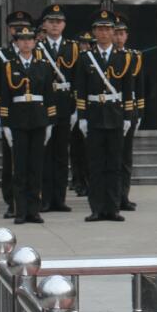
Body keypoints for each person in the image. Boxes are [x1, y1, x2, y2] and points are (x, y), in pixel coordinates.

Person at [75, 10, 135, 222]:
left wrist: (127, 117)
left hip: (115, 116)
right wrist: (82, 117)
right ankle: (97, 209)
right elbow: (80, 89)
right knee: (96, 166)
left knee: (114, 165)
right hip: (94, 116)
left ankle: (113, 208)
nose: (104, 33)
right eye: (100, 29)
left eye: (108, 29)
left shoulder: (124, 58)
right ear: (94, 32)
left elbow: (128, 89)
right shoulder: (85, 58)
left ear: (113, 32)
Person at [0, 26, 55, 224]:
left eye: (29, 39)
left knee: (36, 167)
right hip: (18, 120)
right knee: (20, 168)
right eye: (21, 39)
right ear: (16, 43)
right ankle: (20, 211)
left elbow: (49, 95)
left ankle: (34, 210)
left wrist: (50, 122)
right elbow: (4, 96)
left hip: (38, 119)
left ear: (34, 42)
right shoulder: (9, 66)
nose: (26, 42)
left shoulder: (43, 66)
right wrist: (5, 123)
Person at [38, 4, 79, 213]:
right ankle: (45, 199)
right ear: (44, 24)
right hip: (44, 106)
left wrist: (77, 109)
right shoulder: (37, 47)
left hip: (65, 105)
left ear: (64, 25)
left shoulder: (73, 47)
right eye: (51, 21)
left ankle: (60, 199)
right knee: (45, 154)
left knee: (62, 155)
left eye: (58, 22)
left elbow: (78, 79)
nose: (55, 25)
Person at [0, 10, 33, 218]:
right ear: (10, 31)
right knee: (11, 163)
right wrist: (1, 117)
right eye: (16, 28)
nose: (20, 31)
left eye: (24, 27)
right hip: (13, 116)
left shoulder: (36, 54)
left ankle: (32, 203)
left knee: (33, 163)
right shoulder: (3, 55)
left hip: (33, 115)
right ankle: (12, 202)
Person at [113, 13, 140, 211]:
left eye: (122, 33)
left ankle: (124, 195)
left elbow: (140, 85)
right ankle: (111, 196)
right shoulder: (102, 56)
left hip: (128, 108)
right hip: (110, 108)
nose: (118, 37)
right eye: (116, 33)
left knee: (125, 157)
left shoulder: (134, 56)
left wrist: (139, 112)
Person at [70, 31, 94, 198]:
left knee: (88, 150)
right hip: (74, 107)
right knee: (76, 149)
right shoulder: (75, 60)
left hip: (88, 109)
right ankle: (78, 181)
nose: (85, 46)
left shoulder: (92, 61)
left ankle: (87, 181)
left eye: (88, 43)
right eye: (83, 43)